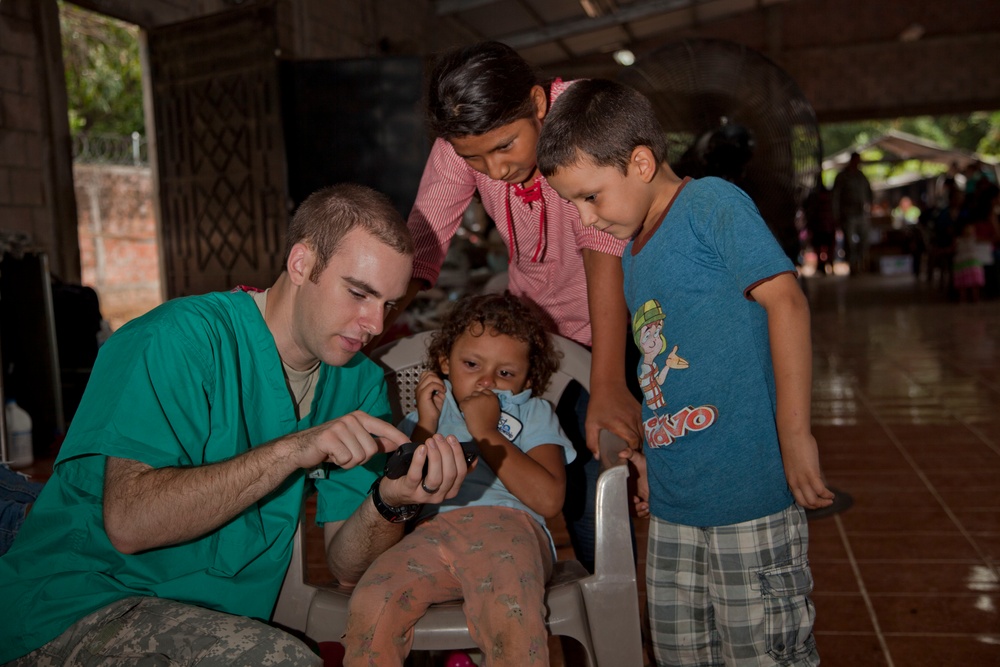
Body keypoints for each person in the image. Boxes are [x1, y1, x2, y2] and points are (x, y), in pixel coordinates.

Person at [0, 184, 473, 666]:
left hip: (216, 621)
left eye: (389, 305)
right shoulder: (175, 339)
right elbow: (129, 524)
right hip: (78, 606)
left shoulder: (357, 383)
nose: (374, 323)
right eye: (358, 293)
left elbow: (345, 564)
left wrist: (388, 503)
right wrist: (293, 449)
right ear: (302, 263)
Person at [537, 78, 834, 666]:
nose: (584, 219)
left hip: (749, 494)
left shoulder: (710, 205)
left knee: (762, 653)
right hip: (674, 506)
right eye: (572, 204)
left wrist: (795, 435)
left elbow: (786, 302)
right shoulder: (633, 252)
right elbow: (664, 370)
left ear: (641, 162)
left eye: (590, 197)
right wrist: (656, 456)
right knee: (679, 651)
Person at [378, 40, 641, 573]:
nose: (493, 171)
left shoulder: (581, 122)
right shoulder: (465, 141)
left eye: (505, 147)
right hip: (536, 338)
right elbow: (424, 243)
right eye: (474, 158)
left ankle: (611, 615)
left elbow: (603, 253)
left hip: (614, 325)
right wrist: (367, 320)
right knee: (538, 471)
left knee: (595, 489)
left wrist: (609, 382)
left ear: (538, 103)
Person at [342, 291, 574, 666]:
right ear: (443, 362)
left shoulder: (532, 412)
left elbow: (548, 500)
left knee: (511, 614)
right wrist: (427, 423)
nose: (486, 382)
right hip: (431, 532)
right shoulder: (431, 409)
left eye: (505, 373)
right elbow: (408, 490)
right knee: (373, 599)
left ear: (527, 379)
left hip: (509, 531)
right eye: (471, 364)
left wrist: (486, 432)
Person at [831, 152, 873, 274]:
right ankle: (852, 265)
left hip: (862, 214)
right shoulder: (842, 177)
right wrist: (836, 215)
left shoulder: (861, 176)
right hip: (848, 214)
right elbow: (835, 197)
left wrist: (869, 207)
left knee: (864, 240)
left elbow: (869, 193)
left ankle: (860, 263)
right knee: (849, 242)